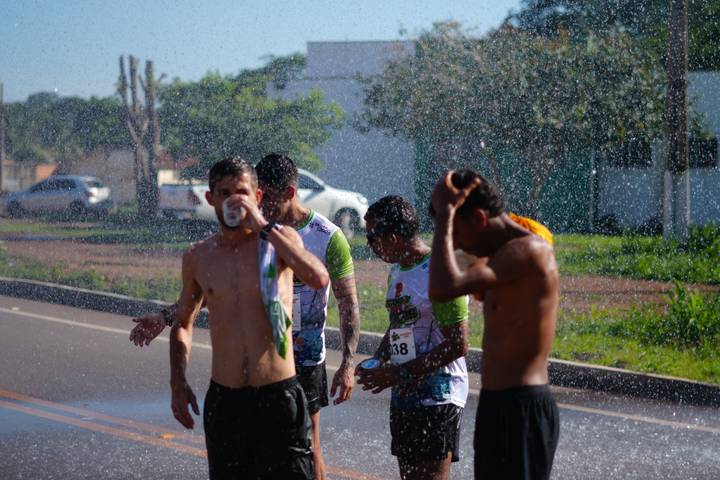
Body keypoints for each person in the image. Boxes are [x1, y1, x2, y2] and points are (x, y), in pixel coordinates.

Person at [130, 153, 361, 480]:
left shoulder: (281, 241)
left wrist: (263, 226)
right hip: (227, 400)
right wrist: (178, 382)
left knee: (306, 461)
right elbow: (185, 322)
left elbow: (318, 278)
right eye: (224, 193)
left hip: (279, 393)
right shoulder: (199, 256)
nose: (233, 200)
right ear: (210, 198)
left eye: (242, 192)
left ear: (258, 196)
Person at [428, 170, 560, 480]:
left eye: (457, 235)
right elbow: (446, 273)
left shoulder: (529, 251)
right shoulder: (496, 257)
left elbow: (443, 287)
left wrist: (446, 214)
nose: (456, 245)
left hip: (522, 407)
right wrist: (447, 212)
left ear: (479, 218)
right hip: (497, 404)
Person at [356, 195, 470, 480]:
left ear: (393, 238)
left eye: (372, 238)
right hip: (405, 392)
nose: (370, 245)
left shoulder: (440, 272)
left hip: (438, 396)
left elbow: (458, 345)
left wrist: (398, 373)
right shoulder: (398, 269)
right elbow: (399, 323)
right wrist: (378, 359)